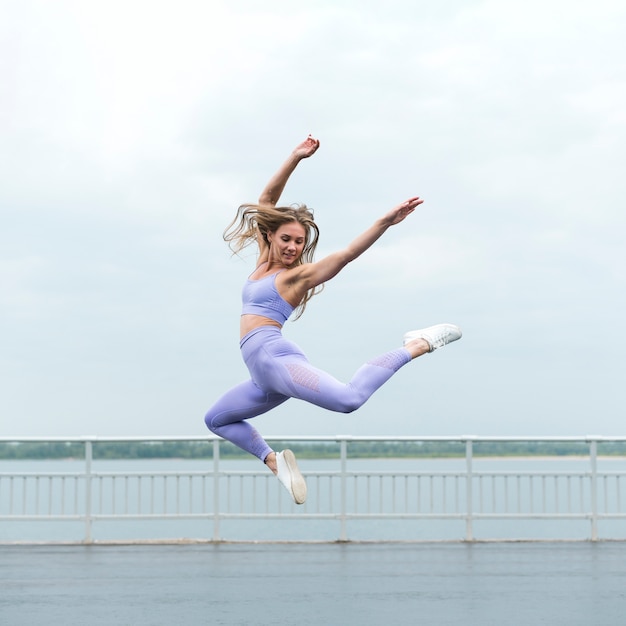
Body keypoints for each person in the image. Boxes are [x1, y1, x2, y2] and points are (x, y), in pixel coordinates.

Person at [204, 135, 462, 505]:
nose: (293, 247)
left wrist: (384, 222)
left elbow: (346, 254)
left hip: (277, 359)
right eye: (287, 239)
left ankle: (418, 343)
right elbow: (266, 201)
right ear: (272, 236)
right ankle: (274, 461)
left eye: (299, 242)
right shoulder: (263, 262)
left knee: (348, 399)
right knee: (217, 420)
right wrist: (294, 157)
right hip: (262, 377)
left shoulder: (297, 277)